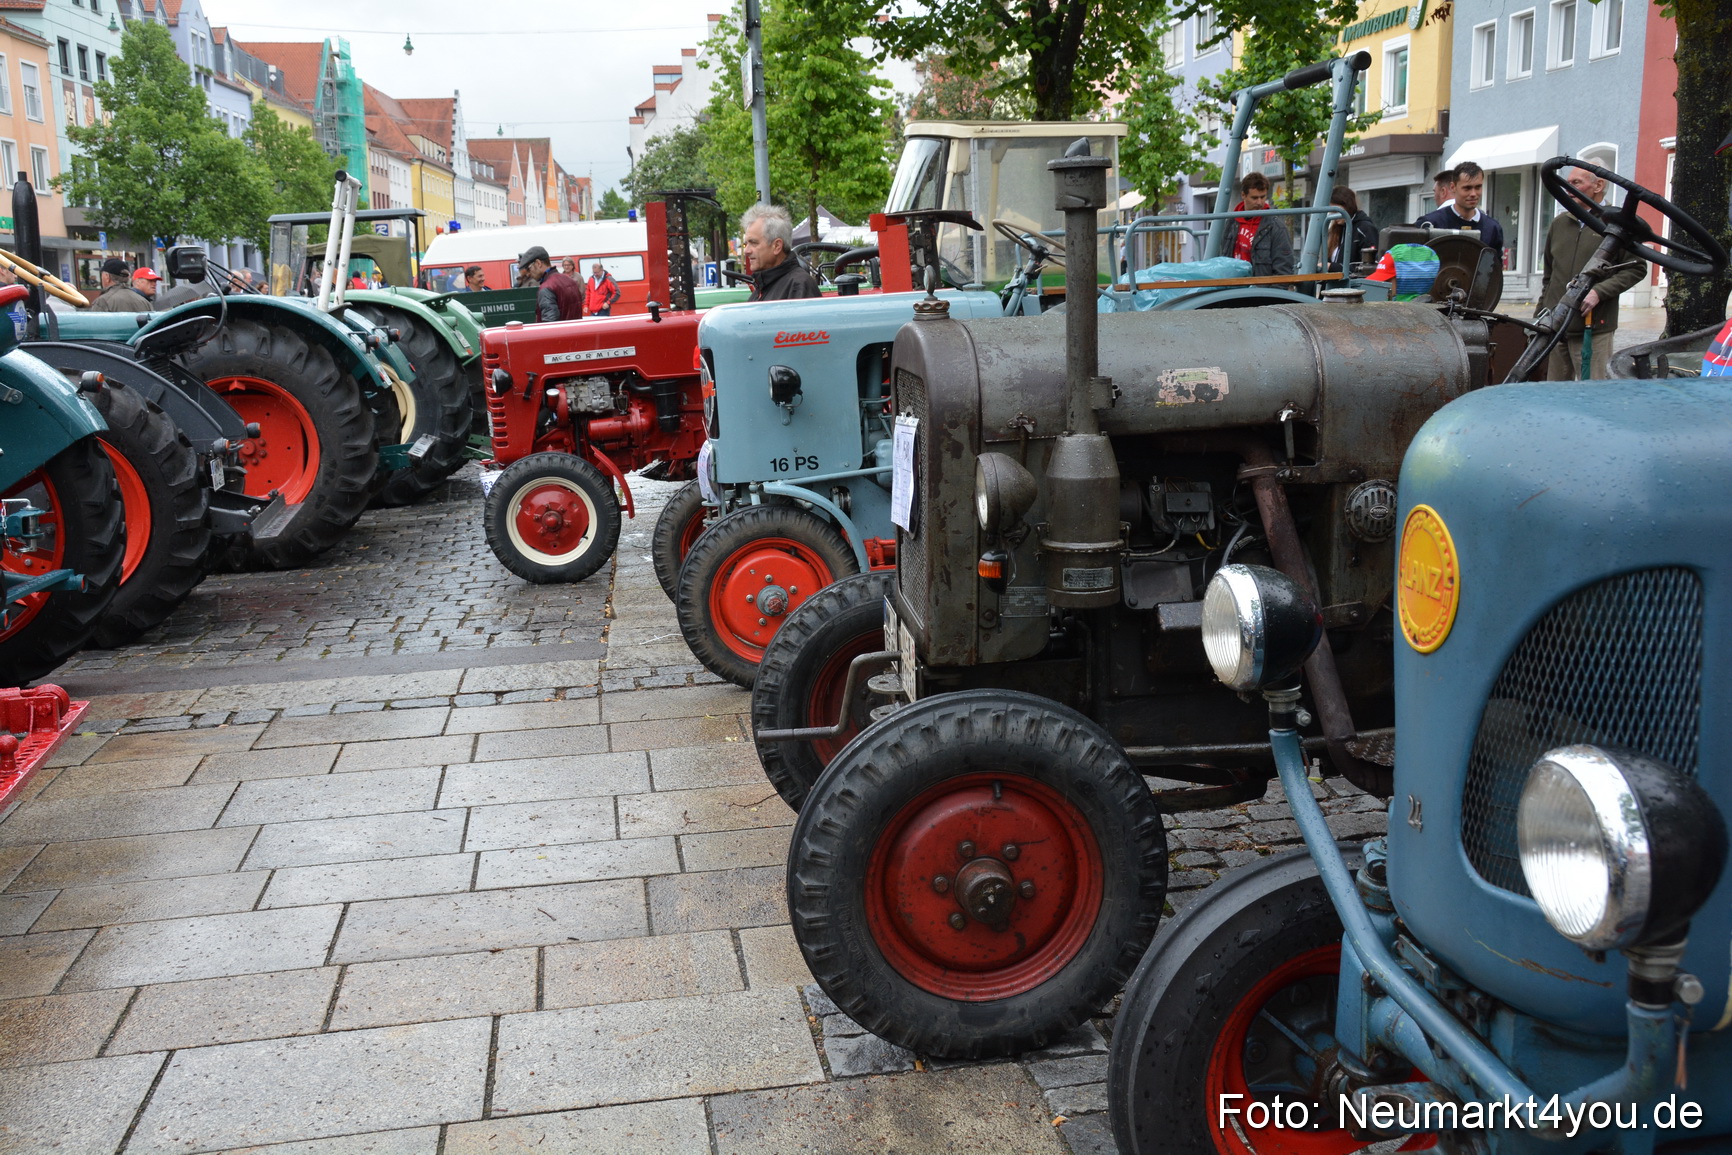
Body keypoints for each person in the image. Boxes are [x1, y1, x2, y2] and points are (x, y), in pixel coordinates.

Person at [1536, 165, 1644, 381]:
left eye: (1576, 183)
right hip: (1557, 329)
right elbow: (1549, 276)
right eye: (1567, 183)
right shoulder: (1560, 224)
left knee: (1594, 396)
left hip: (1593, 328)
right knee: (1555, 398)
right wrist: (1541, 313)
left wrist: (1599, 292)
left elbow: (1636, 268)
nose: (1568, 189)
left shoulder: (1618, 226)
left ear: (1598, 185)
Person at [1414, 161, 1504, 254]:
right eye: (1467, 188)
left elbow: (1495, 266)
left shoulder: (1492, 228)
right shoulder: (1429, 223)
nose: (1473, 194)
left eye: (1478, 187)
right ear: (1453, 187)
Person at [741, 204, 822, 301]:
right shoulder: (763, 287)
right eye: (746, 244)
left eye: (753, 243)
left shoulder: (798, 286)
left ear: (777, 246)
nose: (746, 251)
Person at [1230, 173, 1295, 279]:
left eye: (1263, 197)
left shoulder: (1276, 227)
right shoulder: (1231, 223)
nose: (1259, 202)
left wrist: (1270, 294)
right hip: (1233, 288)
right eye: (1254, 198)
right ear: (1243, 195)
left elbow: (1284, 268)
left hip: (1262, 291)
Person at [520, 244, 584, 321]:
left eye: (528, 268)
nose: (528, 274)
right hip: (575, 331)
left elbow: (549, 325)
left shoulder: (546, 288)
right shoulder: (570, 280)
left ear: (538, 263)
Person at [1326, 186, 1378, 273]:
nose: (1334, 216)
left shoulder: (1365, 228)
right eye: (1332, 212)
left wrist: (1333, 267)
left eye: (1336, 212)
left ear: (1348, 206)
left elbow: (1370, 266)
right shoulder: (1337, 229)